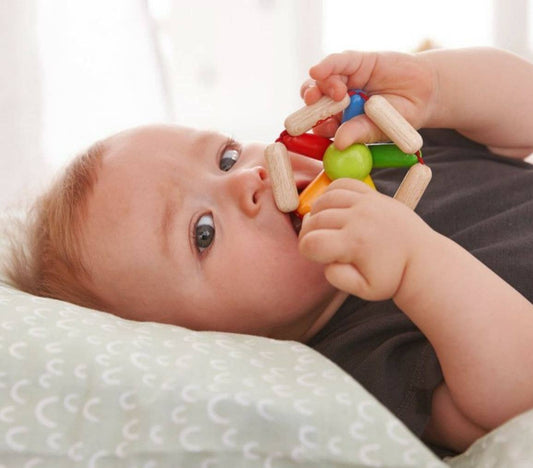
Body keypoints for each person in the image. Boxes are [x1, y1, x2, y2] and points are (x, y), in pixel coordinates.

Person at [4, 46, 533, 457]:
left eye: (227, 156)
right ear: (214, 344)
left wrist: (437, 86)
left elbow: (522, 116)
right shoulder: (363, 360)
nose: (249, 180)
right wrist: (418, 264)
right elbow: (515, 400)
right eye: (203, 233)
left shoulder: (379, 157)